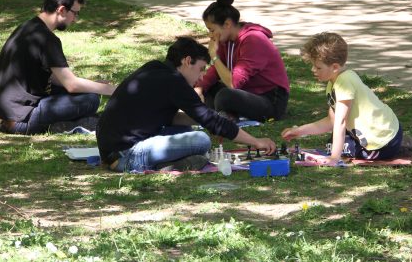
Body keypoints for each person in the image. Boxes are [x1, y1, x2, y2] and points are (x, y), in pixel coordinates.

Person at [96, 37, 277, 173]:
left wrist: (209, 119)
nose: (201, 77)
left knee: (188, 132)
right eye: (200, 69)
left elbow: (169, 117)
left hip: (114, 149)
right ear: (187, 61)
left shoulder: (155, 68)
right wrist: (255, 141)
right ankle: (163, 164)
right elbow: (210, 121)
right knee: (201, 140)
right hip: (128, 155)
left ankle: (168, 163)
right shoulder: (174, 82)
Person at [0, 0, 116, 135]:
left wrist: (91, 84)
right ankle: (70, 124)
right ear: (62, 10)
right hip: (20, 121)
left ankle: (69, 123)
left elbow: (57, 79)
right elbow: (72, 85)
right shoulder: (47, 39)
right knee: (91, 99)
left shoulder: (27, 28)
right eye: (75, 13)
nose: (75, 19)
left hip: (1, 116)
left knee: (81, 91)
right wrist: (114, 90)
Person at [281, 32, 402, 165]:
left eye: (318, 67)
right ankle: (399, 141)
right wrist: (299, 131)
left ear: (335, 67)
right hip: (383, 132)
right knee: (332, 144)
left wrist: (334, 158)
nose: (313, 70)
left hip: (382, 141)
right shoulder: (334, 82)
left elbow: (340, 122)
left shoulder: (344, 82)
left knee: (338, 148)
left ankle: (398, 143)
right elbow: (331, 121)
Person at [194, 0, 290, 122]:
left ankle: (226, 113)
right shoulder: (225, 40)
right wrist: (199, 87)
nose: (211, 35)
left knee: (225, 96)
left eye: (212, 30)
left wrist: (213, 55)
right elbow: (217, 70)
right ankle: (226, 113)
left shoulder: (253, 40)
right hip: (245, 93)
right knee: (207, 88)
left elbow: (233, 83)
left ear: (227, 24)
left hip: (269, 99)